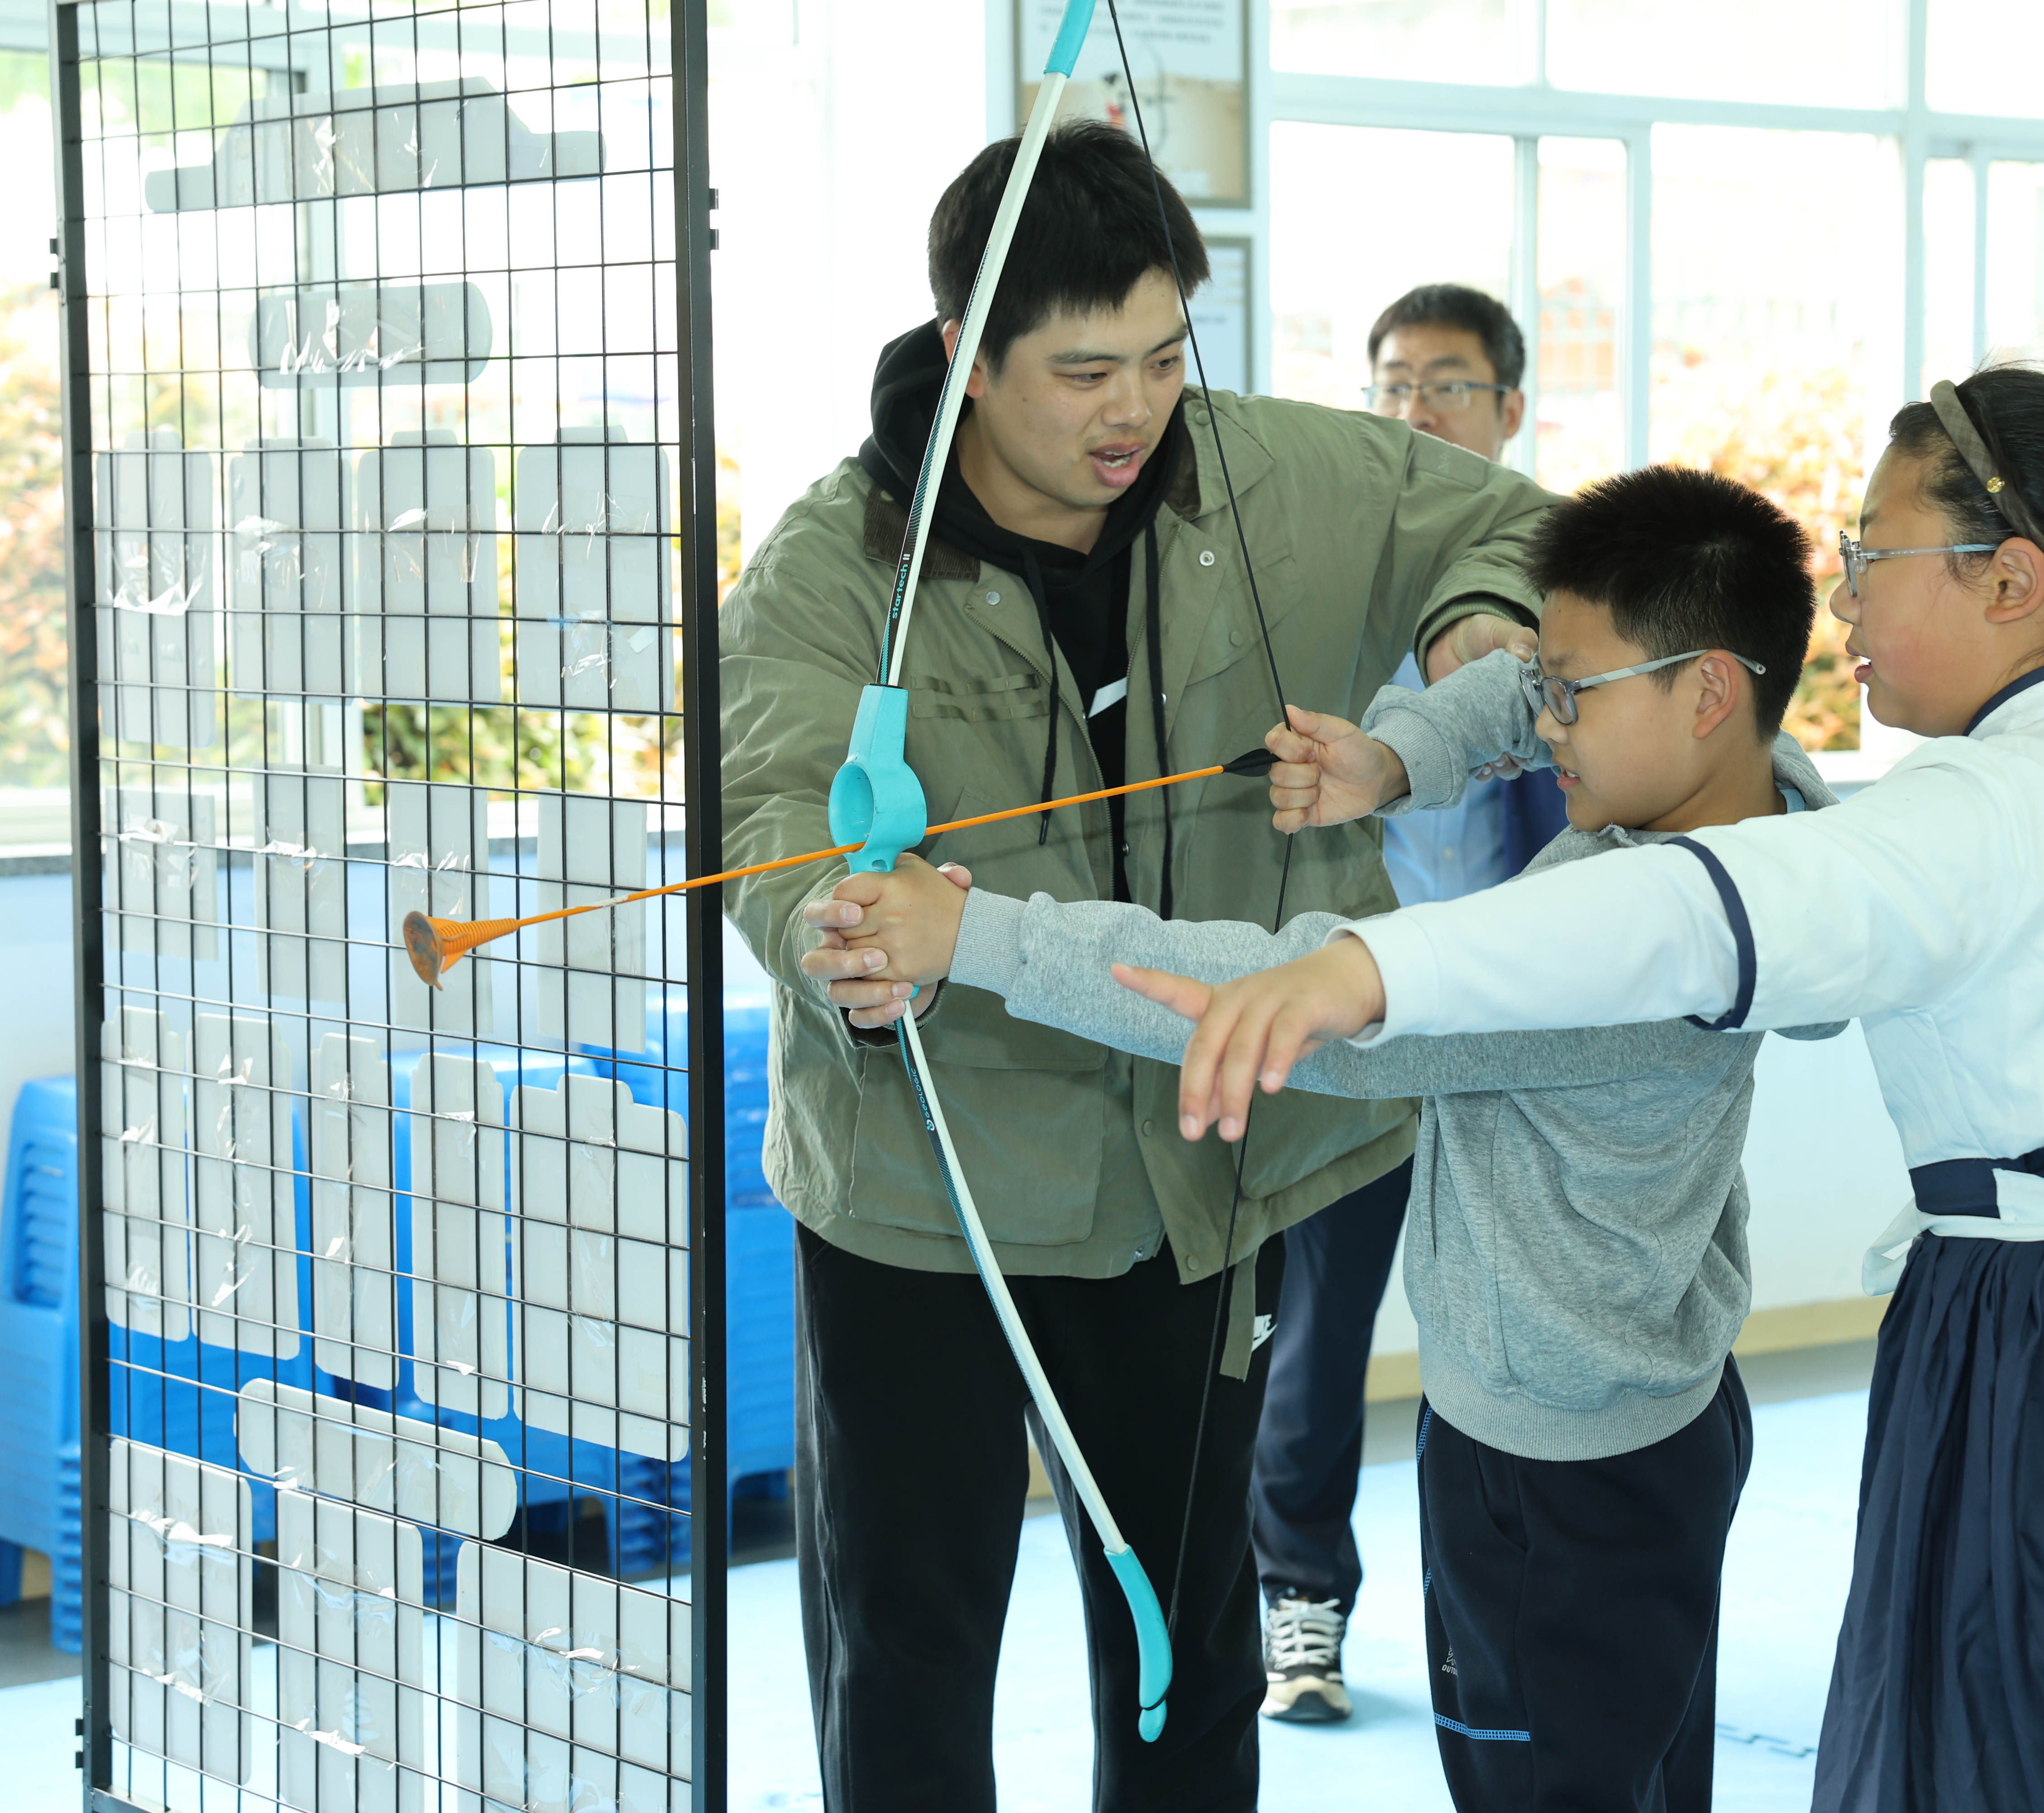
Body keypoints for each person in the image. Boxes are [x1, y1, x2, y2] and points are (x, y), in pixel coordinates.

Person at [1137, 368, 2044, 1809]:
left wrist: (1359, 972)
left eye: (1870, 555)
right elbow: (1641, 774)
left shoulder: (1986, 809)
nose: (1843, 602)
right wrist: (1405, 767)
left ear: (2012, 580)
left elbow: (1681, 908)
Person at [719, 120, 1551, 1813]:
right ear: (968, 353)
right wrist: (833, 930)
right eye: (1084, 372)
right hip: (924, 1192)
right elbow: (773, 804)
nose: (1135, 411)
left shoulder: (1268, 477)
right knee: (907, 1653)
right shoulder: (841, 559)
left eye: (1168, 357)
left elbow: (1521, 526)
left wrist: (1470, 632)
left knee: (1190, 1650)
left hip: (1189, 1176)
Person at [828, 464, 1839, 1808]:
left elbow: (1281, 986)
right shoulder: (1771, 799)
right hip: (1645, 1421)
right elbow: (1517, 690)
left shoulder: (1614, 954)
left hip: (1555, 1478)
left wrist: (981, 936)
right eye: (1546, 684)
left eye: (1572, 696)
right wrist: (1398, 757)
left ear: (1706, 691)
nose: (1544, 720)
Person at [1239, 281, 1571, 1727]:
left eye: (1446, 385)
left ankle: (1508, 1622)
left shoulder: (1569, 604)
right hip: (1354, 1030)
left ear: (1510, 411)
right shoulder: (1329, 604)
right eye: (1391, 385)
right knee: (1316, 1342)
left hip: (1518, 1038)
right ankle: (1299, 1602)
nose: (1414, 411)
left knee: (1518, 1337)